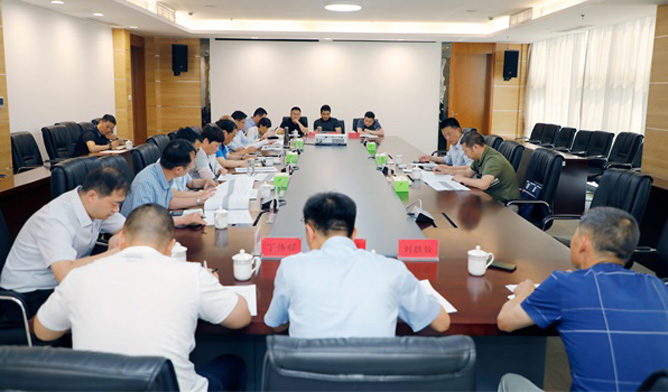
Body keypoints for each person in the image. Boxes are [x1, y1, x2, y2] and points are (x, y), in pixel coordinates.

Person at [34, 204, 251, 392]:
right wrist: (212, 283)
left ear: (121, 241)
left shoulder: (78, 277)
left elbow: (43, 331)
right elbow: (240, 318)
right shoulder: (192, 275)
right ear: (170, 247)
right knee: (234, 364)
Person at [497, 207, 668, 392]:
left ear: (584, 242)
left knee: (509, 381)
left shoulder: (564, 284)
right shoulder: (657, 286)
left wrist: (525, 291)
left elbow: (505, 321)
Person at [264, 192, 450, 338]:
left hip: (307, 375)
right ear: (354, 233)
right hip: (373, 376)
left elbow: (276, 324)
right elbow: (442, 324)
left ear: (309, 231)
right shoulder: (393, 271)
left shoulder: (291, 268)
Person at [0, 166, 127, 319]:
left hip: (58, 283)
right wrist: (113, 253)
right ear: (92, 196)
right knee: (107, 307)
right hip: (29, 294)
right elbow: (65, 273)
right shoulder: (56, 218)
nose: (117, 210)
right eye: (114, 204)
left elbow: (130, 229)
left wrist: (118, 237)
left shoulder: (95, 207)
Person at [120, 139, 206, 226]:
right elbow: (143, 221)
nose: (189, 170)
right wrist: (183, 220)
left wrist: (199, 201)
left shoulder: (165, 173)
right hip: (137, 230)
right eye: (189, 167)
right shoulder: (146, 183)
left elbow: (169, 203)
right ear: (178, 170)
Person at [441, 131, 519, 203]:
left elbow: (483, 184)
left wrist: (462, 179)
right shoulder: (480, 156)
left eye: (466, 151)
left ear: (475, 147)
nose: (465, 154)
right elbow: (467, 173)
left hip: (504, 203)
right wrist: (447, 171)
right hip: (490, 197)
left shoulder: (493, 160)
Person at [171, 127, 218, 196]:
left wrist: (205, 181)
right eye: (196, 150)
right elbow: (174, 195)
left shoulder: (182, 161)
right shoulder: (169, 163)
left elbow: (191, 182)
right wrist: (200, 195)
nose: (196, 155)